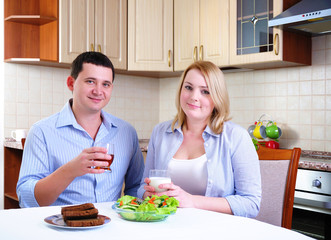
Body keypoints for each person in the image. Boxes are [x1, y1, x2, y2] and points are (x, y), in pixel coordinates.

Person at [17, 52, 144, 207]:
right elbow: (27, 200)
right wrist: (71, 170)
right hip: (61, 227)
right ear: (71, 83)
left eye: (106, 84)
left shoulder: (127, 132)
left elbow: (136, 187)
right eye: (90, 81)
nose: (98, 91)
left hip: (112, 227)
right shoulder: (41, 132)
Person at [137, 61, 261, 218]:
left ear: (217, 97)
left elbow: (251, 203)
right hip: (167, 227)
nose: (194, 97)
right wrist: (148, 194)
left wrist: (191, 201)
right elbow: (142, 187)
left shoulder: (236, 137)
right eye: (188, 87)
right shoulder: (160, 133)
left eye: (205, 91)